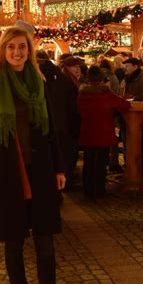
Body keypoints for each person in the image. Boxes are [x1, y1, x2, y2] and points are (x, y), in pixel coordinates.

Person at [0, 27, 66, 284]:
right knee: (13, 244)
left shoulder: (39, 83)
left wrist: (58, 167)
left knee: (45, 245)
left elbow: (51, 129)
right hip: (7, 174)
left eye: (22, 48)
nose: (17, 52)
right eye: (12, 47)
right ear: (3, 51)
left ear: (29, 51)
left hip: (40, 172)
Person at [77, 66, 131, 200]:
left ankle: (88, 190)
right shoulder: (107, 94)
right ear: (102, 78)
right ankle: (99, 191)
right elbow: (125, 105)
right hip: (104, 132)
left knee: (88, 162)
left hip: (87, 132)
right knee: (101, 163)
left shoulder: (82, 95)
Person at [57, 56, 82, 191]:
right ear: (67, 68)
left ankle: (68, 181)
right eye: (75, 67)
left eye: (79, 67)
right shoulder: (67, 82)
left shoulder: (71, 80)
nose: (78, 70)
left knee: (70, 155)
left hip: (70, 125)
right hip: (68, 126)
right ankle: (67, 183)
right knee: (68, 155)